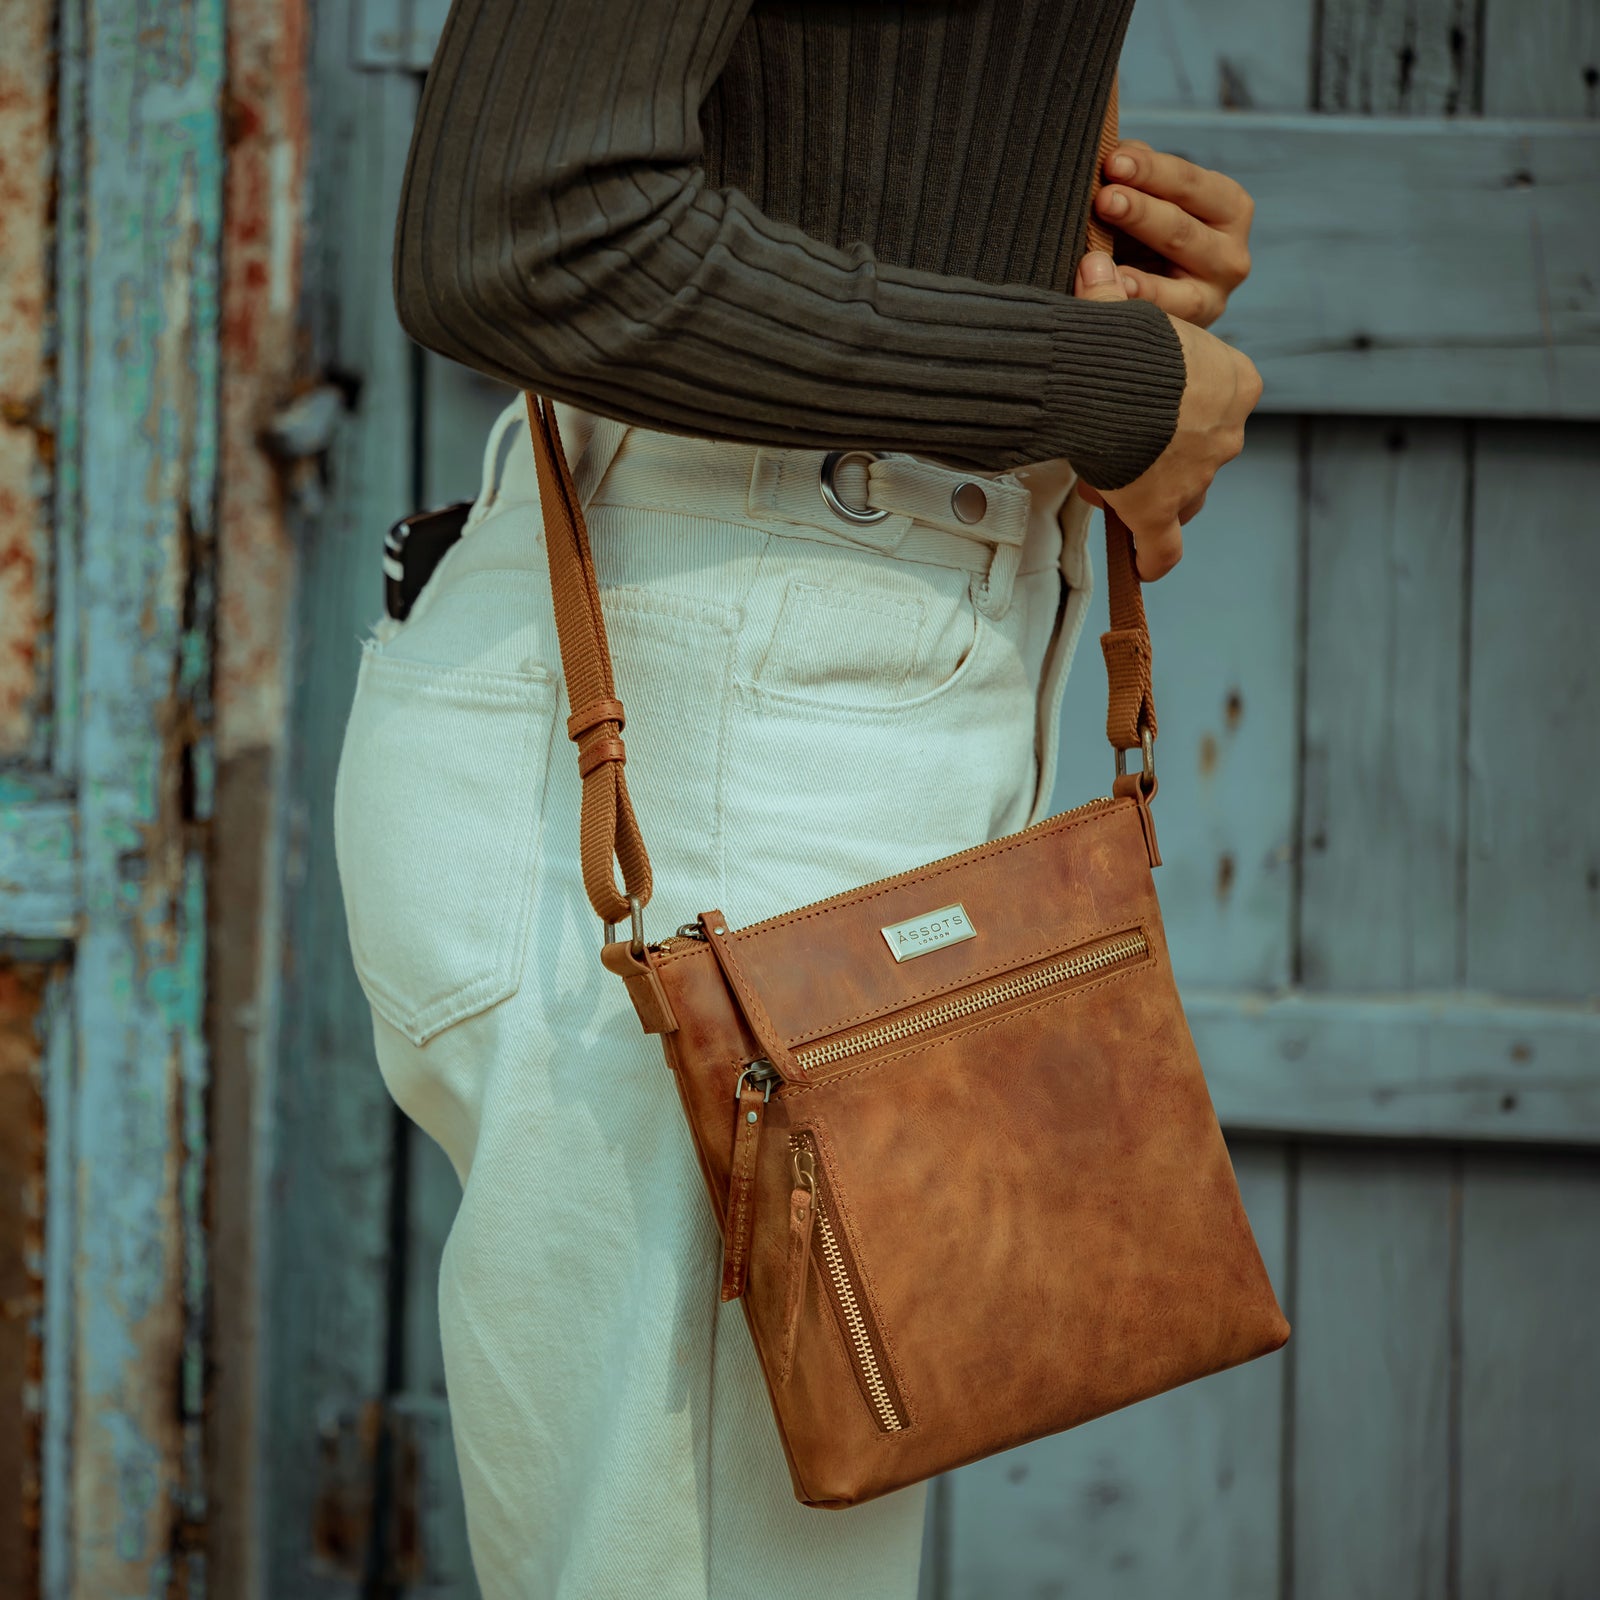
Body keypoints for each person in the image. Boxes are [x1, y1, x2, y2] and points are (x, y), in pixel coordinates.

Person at [332, 2, 1260, 1595]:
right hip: (714, 732)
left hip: (779, 696)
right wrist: (1093, 383)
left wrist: (1092, 274)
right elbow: (525, 230)